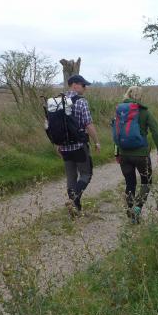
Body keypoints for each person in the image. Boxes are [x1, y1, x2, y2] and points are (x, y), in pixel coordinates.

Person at [113, 86, 158, 223]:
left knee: (130, 183)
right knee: (146, 182)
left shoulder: (120, 111)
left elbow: (118, 133)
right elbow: (156, 132)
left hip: (124, 154)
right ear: (140, 96)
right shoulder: (145, 112)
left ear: (127, 94)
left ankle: (130, 212)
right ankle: (137, 208)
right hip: (141, 154)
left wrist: (116, 153)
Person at [58, 74, 101, 216]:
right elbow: (88, 124)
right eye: (84, 85)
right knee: (86, 174)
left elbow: (54, 126)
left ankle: (75, 210)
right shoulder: (81, 102)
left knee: (71, 177)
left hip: (64, 147)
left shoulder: (58, 101)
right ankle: (73, 201)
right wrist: (96, 141)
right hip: (79, 146)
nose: (85, 88)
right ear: (75, 85)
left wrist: (58, 144)